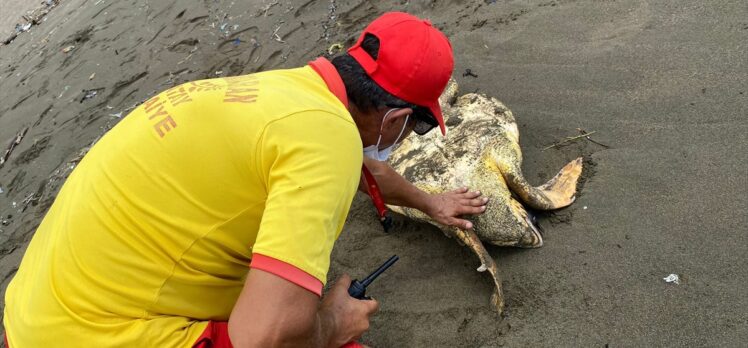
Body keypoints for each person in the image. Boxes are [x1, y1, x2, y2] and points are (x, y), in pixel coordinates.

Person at [3, 12, 487, 348]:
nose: (412, 134)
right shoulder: (328, 142)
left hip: (28, 315)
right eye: (419, 125)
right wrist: (331, 325)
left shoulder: (287, 91)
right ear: (395, 118)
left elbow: (363, 169)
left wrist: (429, 202)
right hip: (93, 335)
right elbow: (264, 336)